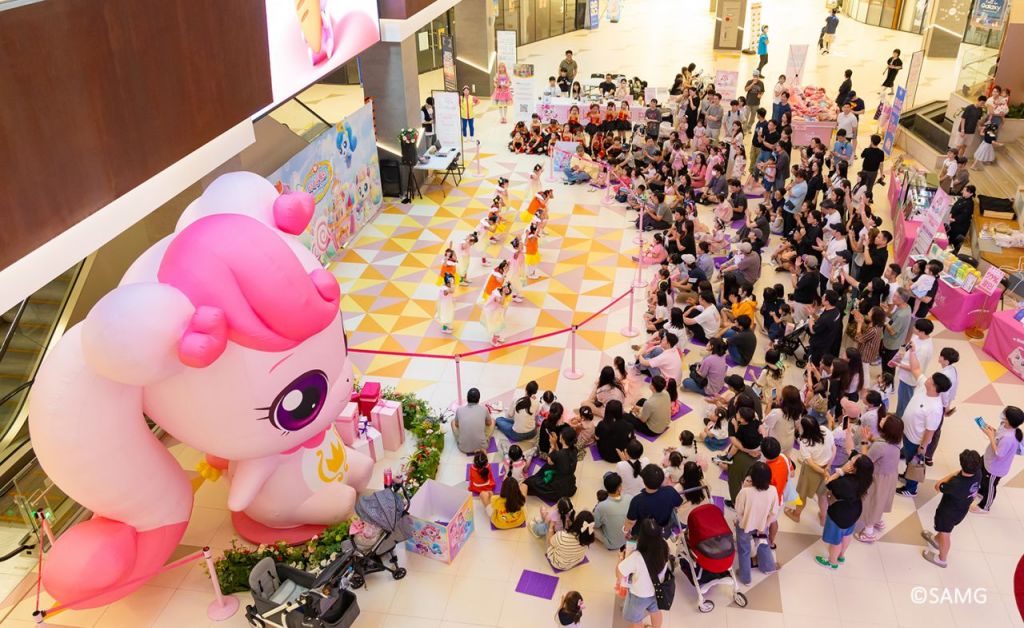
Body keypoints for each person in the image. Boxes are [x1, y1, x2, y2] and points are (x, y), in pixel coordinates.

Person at [895, 350, 951, 497]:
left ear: (934, 386)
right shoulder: (923, 386)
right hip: (907, 433)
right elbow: (915, 368)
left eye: (931, 379)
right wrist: (912, 351)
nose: (927, 378)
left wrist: (922, 447)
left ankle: (911, 488)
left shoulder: (935, 408)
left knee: (914, 462)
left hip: (915, 440)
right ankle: (907, 475)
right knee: (909, 460)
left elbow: (930, 431)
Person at [921, 449, 982, 568]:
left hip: (948, 513)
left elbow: (938, 486)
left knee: (945, 533)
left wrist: (953, 474)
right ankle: (936, 540)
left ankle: (942, 559)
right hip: (961, 509)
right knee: (945, 529)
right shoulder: (978, 473)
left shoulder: (956, 483)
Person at [816, 455, 874, 569]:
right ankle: (841, 556)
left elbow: (828, 483)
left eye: (851, 461)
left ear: (855, 468)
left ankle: (832, 562)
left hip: (839, 514)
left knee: (836, 540)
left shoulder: (846, 483)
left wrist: (841, 471)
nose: (848, 461)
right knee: (847, 534)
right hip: (854, 511)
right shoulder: (866, 479)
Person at [856, 414, 904, 542]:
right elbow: (881, 442)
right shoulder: (897, 441)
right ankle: (878, 520)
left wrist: (864, 441)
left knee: (872, 501)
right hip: (890, 476)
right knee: (881, 499)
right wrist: (871, 438)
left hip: (877, 479)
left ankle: (868, 532)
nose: (881, 419)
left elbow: (866, 460)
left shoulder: (879, 446)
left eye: (884, 420)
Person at [617, 518, 672, 628]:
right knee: (655, 611)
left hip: (639, 595)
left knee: (636, 619)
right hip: (658, 590)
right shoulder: (665, 547)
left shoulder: (637, 556)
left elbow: (619, 574)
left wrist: (620, 558)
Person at [734, 462, 780, 584]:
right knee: (763, 544)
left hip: (744, 525)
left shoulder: (745, 492)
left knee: (744, 550)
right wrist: (765, 525)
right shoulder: (773, 490)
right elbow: (774, 512)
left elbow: (738, 510)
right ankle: (768, 567)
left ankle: (745, 578)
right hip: (762, 525)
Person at [972, 406, 1024, 513]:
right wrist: (991, 431)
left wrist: (991, 437)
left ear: (1009, 420)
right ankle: (981, 492)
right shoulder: (1004, 425)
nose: (1003, 414)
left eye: (1005, 414)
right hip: (988, 459)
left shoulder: (1009, 438)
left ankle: (985, 507)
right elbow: (998, 435)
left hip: (995, 468)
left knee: (991, 486)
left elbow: (999, 454)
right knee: (983, 478)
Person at [786, 416, 836, 525]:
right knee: (822, 496)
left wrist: (823, 472)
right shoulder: (825, 430)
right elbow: (834, 449)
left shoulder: (805, 442)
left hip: (811, 472)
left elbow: (811, 464)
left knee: (802, 494)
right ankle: (823, 518)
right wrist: (827, 467)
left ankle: (796, 515)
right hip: (826, 468)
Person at [624, 465, 683, 537]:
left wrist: (625, 531)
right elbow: (678, 504)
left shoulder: (637, 501)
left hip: (643, 532)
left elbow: (630, 522)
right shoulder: (670, 491)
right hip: (662, 528)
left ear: (644, 481)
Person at [925, 347, 960, 465]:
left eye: (941, 356)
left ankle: (927, 454)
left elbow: (945, 394)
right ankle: (929, 455)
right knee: (936, 429)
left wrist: (945, 406)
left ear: (946, 360)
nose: (939, 357)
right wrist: (949, 405)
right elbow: (953, 390)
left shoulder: (944, 375)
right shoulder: (953, 370)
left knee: (933, 429)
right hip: (943, 404)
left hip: (939, 404)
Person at [895, 319, 935, 419]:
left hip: (909, 379)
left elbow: (915, 368)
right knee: (901, 399)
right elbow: (908, 346)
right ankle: (898, 415)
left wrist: (898, 364)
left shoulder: (924, 349)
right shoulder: (917, 336)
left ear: (922, 331)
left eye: (915, 327)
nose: (913, 328)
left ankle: (899, 420)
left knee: (904, 402)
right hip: (904, 374)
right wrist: (900, 354)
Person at [526, 426, 579, 502]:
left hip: (557, 489)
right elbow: (559, 455)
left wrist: (552, 445)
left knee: (530, 482)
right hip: (570, 484)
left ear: (562, 439)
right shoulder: (574, 450)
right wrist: (555, 443)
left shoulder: (559, 455)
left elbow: (549, 461)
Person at [879, 288, 912, 377]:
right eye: (894, 295)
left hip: (892, 344)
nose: (893, 298)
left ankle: (888, 382)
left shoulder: (902, 315)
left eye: (896, 297)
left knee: (888, 366)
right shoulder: (906, 307)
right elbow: (894, 319)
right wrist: (887, 312)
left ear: (902, 300)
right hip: (895, 341)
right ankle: (884, 378)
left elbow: (892, 332)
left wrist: (884, 321)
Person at [594, 472, 630, 550]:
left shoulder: (601, 506)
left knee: (588, 521)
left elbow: (596, 525)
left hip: (611, 544)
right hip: (627, 539)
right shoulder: (629, 498)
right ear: (619, 488)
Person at [453, 388, 494, 453]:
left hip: (463, 448)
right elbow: (489, 423)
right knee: (493, 421)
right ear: (479, 399)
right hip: (482, 447)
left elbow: (456, 425)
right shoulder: (484, 409)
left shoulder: (459, 409)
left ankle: (461, 439)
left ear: (467, 398)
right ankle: (487, 439)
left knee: (452, 422)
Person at [808, 290, 842, 365]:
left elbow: (813, 330)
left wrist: (810, 318)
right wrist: (813, 314)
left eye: (823, 297)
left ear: (827, 302)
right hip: (828, 343)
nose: (821, 298)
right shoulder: (836, 311)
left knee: (813, 364)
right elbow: (822, 323)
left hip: (818, 347)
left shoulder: (826, 318)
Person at [947, 185, 977, 253]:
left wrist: (954, 219)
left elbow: (964, 216)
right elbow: (954, 206)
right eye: (964, 190)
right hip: (953, 223)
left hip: (960, 227)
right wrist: (951, 214)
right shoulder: (962, 198)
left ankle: (952, 253)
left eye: (965, 191)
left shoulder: (970, 204)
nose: (963, 192)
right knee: (950, 238)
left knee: (954, 242)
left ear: (971, 194)